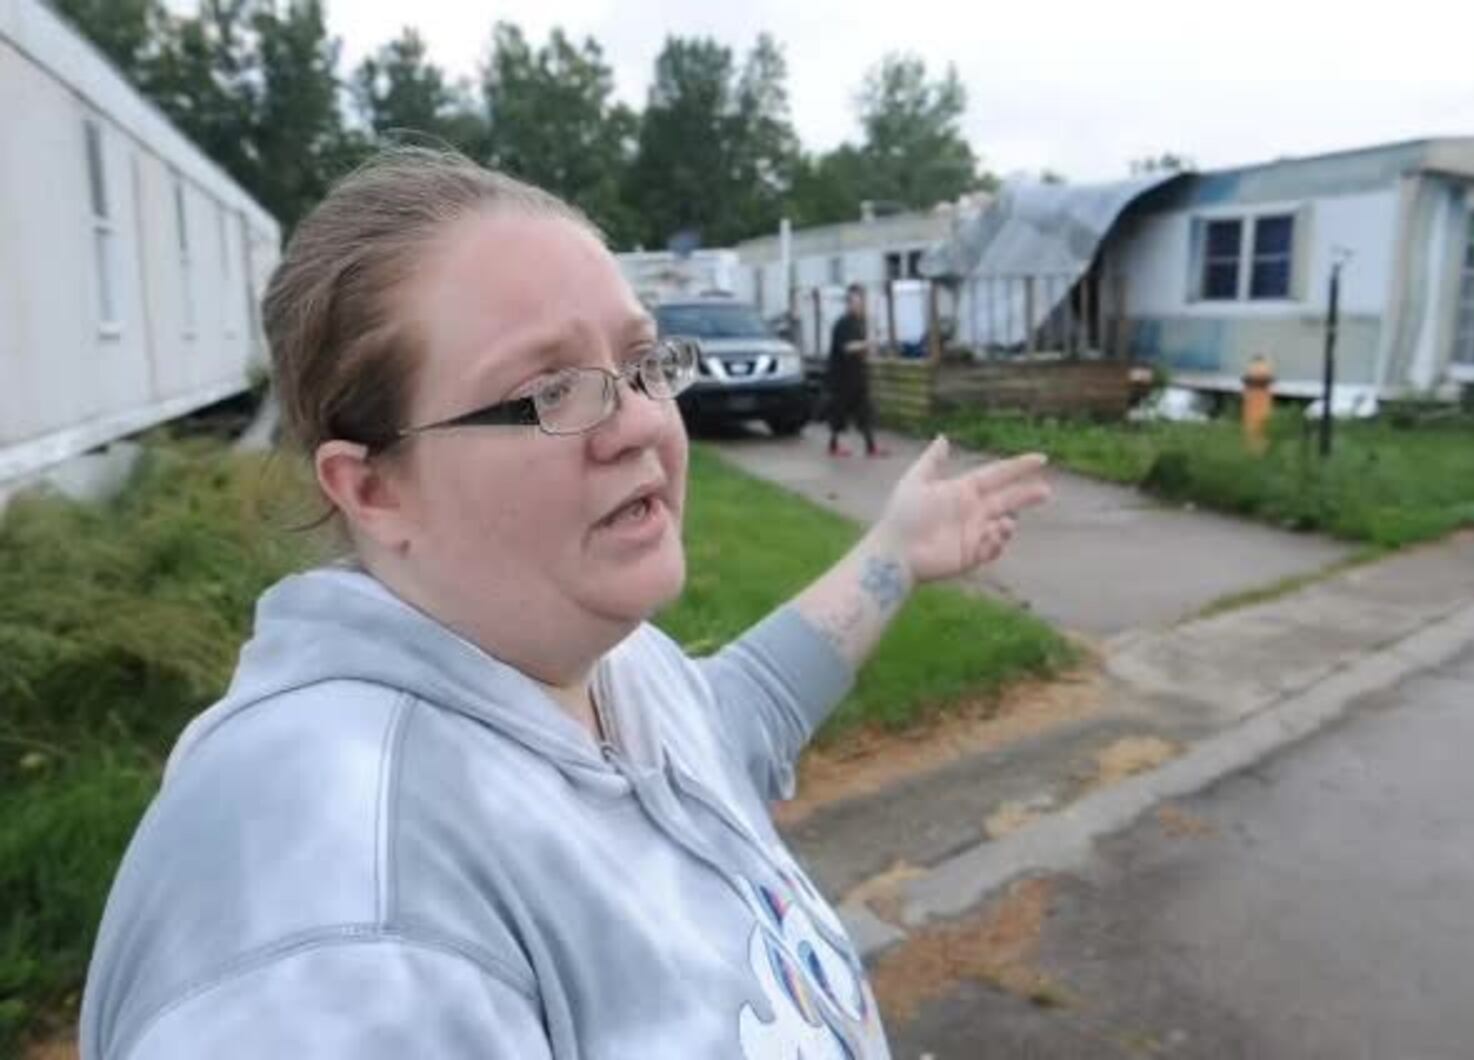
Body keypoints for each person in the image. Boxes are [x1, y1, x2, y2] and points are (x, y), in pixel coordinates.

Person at [79, 149, 1050, 1060]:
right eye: (549, 391)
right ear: (373, 488)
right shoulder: (333, 912)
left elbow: (731, 719)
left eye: (639, 363)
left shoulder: (592, 671)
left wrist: (894, 554)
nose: (635, 421)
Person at [826, 284, 882, 457]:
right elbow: (847, 347)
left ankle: (871, 447)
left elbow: (860, 347)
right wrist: (867, 343)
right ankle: (833, 446)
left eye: (861, 302)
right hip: (842, 376)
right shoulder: (842, 324)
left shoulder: (860, 322)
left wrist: (869, 351)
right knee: (840, 412)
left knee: (864, 410)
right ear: (849, 304)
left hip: (858, 374)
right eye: (856, 302)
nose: (859, 305)